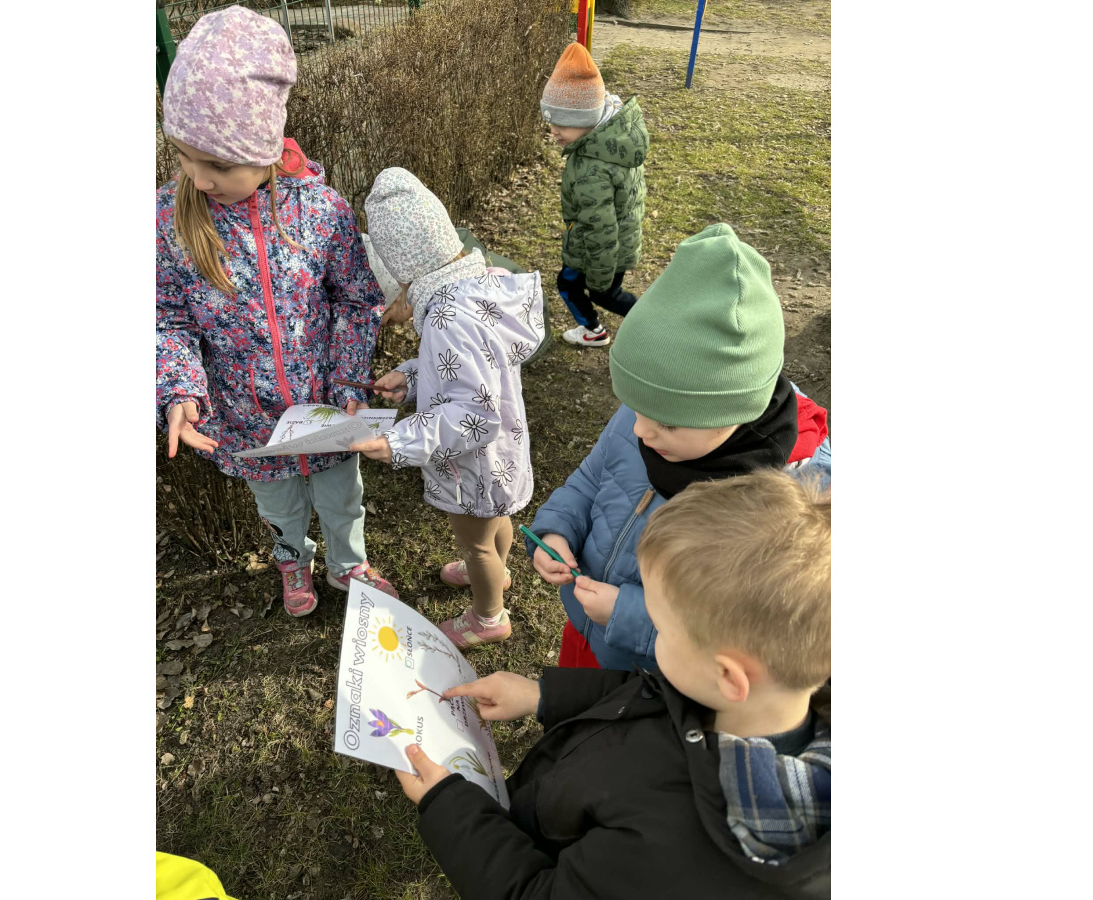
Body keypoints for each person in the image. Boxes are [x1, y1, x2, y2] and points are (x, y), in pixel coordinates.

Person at [393, 470, 831, 899]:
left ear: (729, 676)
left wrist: (449, 805)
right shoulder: (733, 699)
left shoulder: (674, 848)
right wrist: (543, 696)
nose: (654, 635)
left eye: (661, 628)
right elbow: (647, 695)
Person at [156, 6, 397, 618]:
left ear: (264, 147)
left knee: (343, 500)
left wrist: (348, 382)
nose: (197, 178)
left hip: (327, 412)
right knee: (279, 509)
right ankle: (293, 560)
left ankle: (348, 563)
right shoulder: (169, 222)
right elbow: (167, 318)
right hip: (249, 424)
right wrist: (179, 390)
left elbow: (356, 301)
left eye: (218, 164)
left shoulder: (320, 211)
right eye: (184, 156)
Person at [527, 224, 831, 671]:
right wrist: (558, 530)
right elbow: (593, 477)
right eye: (634, 407)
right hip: (589, 634)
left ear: (733, 410)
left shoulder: (797, 502)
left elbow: (747, 637)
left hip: (661, 680)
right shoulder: (653, 405)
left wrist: (628, 616)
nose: (640, 430)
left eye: (666, 423)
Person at [350, 168, 545, 648]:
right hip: (504, 454)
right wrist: (413, 377)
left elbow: (471, 415)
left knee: (475, 543)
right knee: (496, 520)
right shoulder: (478, 289)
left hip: (472, 463)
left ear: (404, 270)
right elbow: (471, 368)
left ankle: (488, 617)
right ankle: (497, 572)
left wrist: (398, 442)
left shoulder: (444, 317)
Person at [540, 42, 649, 348]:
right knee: (600, 292)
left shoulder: (593, 170)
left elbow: (601, 228)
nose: (553, 132)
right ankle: (644, 320)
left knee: (593, 291)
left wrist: (598, 277)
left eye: (561, 124)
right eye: (551, 123)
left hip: (599, 253)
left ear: (585, 120)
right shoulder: (612, 140)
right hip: (614, 245)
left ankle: (632, 325)